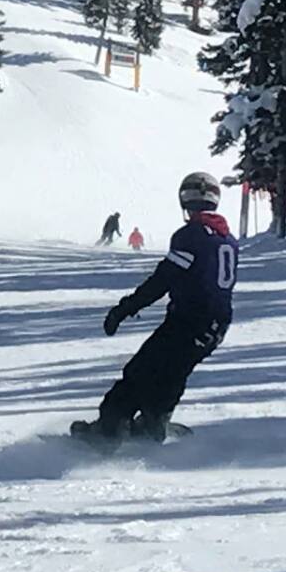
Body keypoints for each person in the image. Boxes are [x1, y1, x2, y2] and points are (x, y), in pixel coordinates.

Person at [73, 171, 236, 445]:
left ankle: (109, 428)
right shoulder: (227, 239)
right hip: (216, 326)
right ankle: (155, 419)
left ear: (184, 200)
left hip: (188, 321)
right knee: (173, 372)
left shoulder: (191, 235)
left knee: (141, 371)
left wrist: (125, 308)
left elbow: (164, 278)